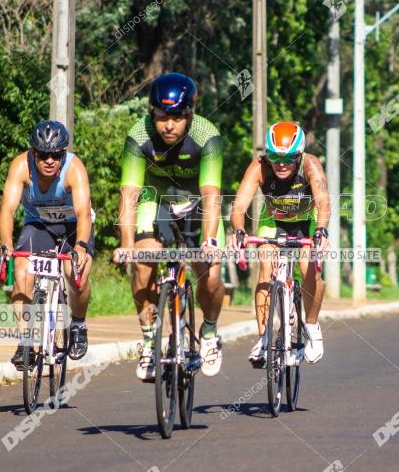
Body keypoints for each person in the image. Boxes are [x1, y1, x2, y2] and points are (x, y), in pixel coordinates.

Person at [114, 73, 225, 381]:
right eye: (162, 116)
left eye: (177, 117)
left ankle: (211, 332)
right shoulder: (139, 135)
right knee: (143, 264)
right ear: (153, 113)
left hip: (196, 201)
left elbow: (212, 195)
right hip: (156, 199)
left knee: (211, 272)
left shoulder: (206, 135)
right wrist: (125, 244)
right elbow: (130, 194)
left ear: (190, 113)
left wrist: (210, 240)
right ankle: (149, 340)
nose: (169, 125)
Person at [227, 121, 331, 366]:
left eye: (288, 158)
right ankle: (264, 339)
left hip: (308, 220)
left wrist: (322, 232)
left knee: (309, 268)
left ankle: (312, 327)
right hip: (273, 219)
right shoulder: (259, 167)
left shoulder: (311, 165)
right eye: (274, 156)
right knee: (266, 268)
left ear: (299, 155)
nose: (281, 164)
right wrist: (239, 230)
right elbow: (239, 206)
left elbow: (324, 203)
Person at [0, 120, 94, 368]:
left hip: (74, 227)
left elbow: (83, 213)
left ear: (63, 154)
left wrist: (81, 247)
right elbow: (7, 210)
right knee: (21, 271)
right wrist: (6, 244)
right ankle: (25, 342)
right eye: (43, 155)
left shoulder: (74, 169)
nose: (50, 161)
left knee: (76, 273)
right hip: (39, 225)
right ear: (33, 152)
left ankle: (79, 324)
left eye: (56, 155)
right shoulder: (20, 166)